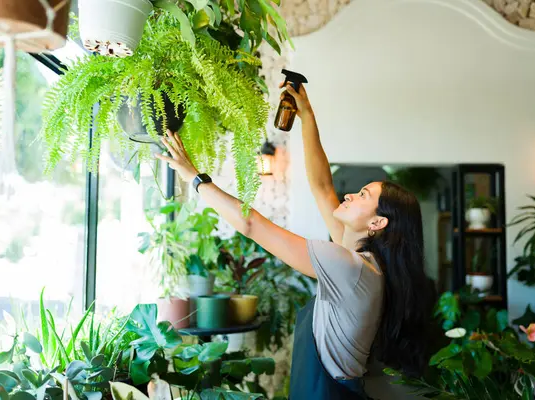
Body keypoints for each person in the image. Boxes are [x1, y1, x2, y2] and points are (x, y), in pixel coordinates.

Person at [156, 82, 435, 400]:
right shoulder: (360, 260)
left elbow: (251, 224)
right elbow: (321, 186)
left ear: (377, 223)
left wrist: (195, 177)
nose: (349, 194)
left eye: (362, 196)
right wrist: (306, 114)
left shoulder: (348, 265)